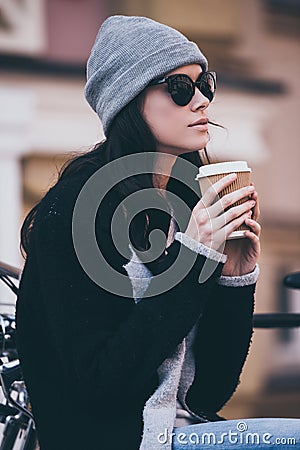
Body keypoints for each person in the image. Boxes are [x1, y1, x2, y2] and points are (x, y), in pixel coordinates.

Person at [16, 15, 299, 450]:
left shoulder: (181, 208)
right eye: (180, 89)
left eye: (205, 83)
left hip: (185, 431)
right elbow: (101, 385)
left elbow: (208, 393)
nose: (202, 100)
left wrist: (234, 278)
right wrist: (190, 259)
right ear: (129, 100)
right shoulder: (73, 213)